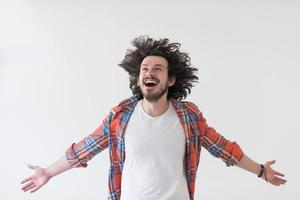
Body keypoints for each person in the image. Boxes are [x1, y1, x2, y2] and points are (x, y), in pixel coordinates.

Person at [21, 36, 287, 200]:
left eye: (158, 68)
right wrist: (48, 172)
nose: (150, 71)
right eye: (145, 68)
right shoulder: (120, 116)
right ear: (139, 78)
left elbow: (225, 149)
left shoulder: (189, 117)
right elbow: (84, 150)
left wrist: (261, 171)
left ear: (171, 80)